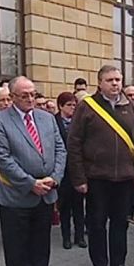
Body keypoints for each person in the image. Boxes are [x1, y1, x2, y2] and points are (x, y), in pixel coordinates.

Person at [67, 65, 134, 266]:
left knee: (120, 222)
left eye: (118, 79)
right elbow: (74, 144)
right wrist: (79, 178)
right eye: (110, 80)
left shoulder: (130, 107)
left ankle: (118, 262)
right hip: (96, 178)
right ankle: (100, 264)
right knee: (96, 222)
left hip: (124, 178)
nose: (115, 83)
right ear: (100, 83)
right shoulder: (87, 107)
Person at [0, 76, 66, 266]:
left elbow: (60, 149)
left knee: (41, 242)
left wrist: (55, 178)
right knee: (16, 244)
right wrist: (31, 183)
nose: (31, 99)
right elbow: (3, 159)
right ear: (12, 97)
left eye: (33, 93)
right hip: (16, 196)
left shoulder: (47, 119)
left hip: (46, 194)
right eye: (24, 95)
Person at [54, 92, 85, 250]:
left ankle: (80, 235)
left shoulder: (78, 122)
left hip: (77, 169)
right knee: (64, 206)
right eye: (69, 105)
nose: (73, 108)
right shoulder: (54, 121)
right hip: (62, 171)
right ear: (60, 106)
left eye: (74, 105)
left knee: (79, 205)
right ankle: (66, 237)